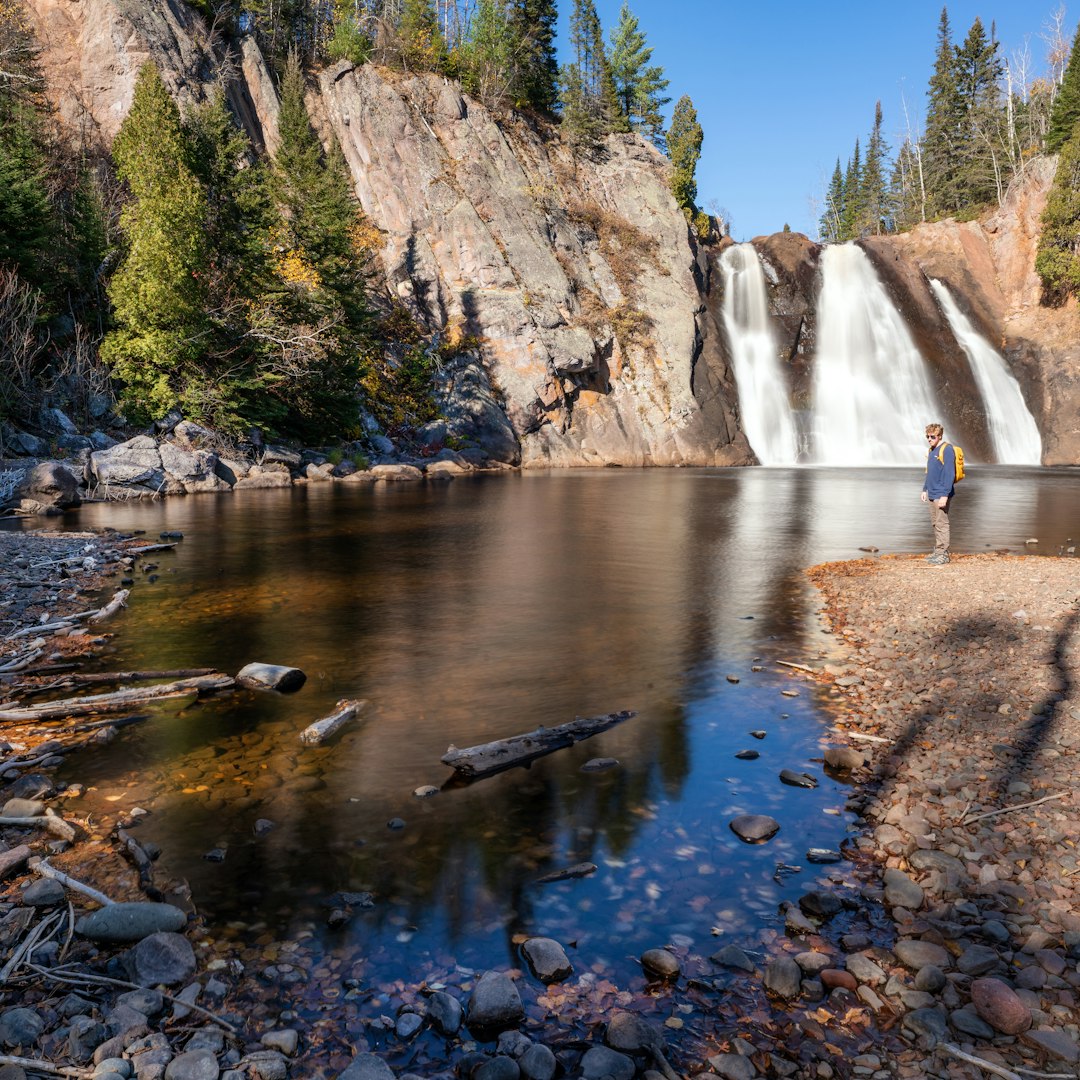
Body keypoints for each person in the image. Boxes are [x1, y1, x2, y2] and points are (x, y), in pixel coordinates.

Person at [921, 423, 955, 565]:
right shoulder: (931, 450)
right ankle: (938, 551)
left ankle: (944, 554)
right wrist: (924, 489)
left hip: (941, 493)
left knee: (942, 523)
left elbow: (950, 473)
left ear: (939, 436)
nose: (929, 439)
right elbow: (929, 473)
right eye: (927, 436)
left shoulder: (947, 450)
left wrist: (945, 495)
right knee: (935, 523)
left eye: (932, 436)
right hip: (931, 493)